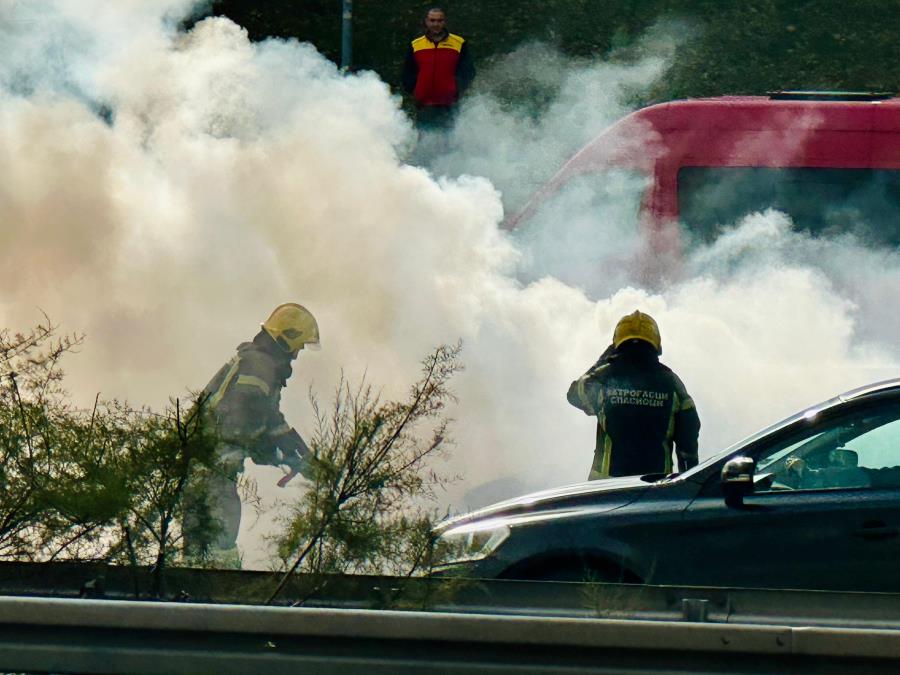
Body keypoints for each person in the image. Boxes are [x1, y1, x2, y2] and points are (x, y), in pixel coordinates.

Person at [200, 303, 320, 554]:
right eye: (298, 347)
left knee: (205, 543)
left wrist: (302, 455)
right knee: (217, 545)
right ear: (287, 338)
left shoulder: (258, 362)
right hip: (212, 466)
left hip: (208, 464)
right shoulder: (259, 365)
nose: (296, 355)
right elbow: (248, 414)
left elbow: (271, 421)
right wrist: (269, 451)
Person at [567, 310, 700, 480]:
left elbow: (574, 395)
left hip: (605, 491)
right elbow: (688, 435)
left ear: (617, 344)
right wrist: (688, 482)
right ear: (656, 345)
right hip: (653, 492)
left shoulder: (603, 377)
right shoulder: (672, 383)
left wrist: (603, 358)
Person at [402, 7, 474, 128]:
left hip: (449, 103)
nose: (436, 24)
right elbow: (408, 71)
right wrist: (414, 89)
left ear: (444, 22)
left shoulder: (458, 43)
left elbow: (468, 70)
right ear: (426, 21)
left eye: (440, 20)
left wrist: (457, 88)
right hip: (423, 104)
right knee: (425, 141)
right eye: (432, 20)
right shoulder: (416, 44)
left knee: (450, 141)